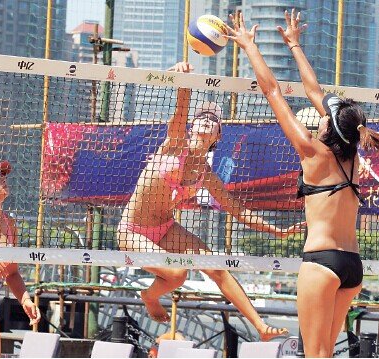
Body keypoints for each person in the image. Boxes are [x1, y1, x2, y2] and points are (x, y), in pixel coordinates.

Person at [225, 10, 379, 357]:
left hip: (322, 263)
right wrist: (295, 45)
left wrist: (249, 46)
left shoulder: (313, 152)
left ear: (328, 125)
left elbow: (272, 92)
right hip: (351, 266)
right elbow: (315, 92)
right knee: (324, 354)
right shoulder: (352, 155)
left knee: (315, 356)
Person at [118, 62, 305, 341]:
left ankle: (260, 327)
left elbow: (238, 211)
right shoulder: (175, 144)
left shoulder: (206, 174)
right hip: (131, 230)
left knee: (216, 267)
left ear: (217, 136)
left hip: (165, 228)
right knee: (177, 273)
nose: (207, 119)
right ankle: (149, 296)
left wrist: (276, 230)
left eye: (213, 120)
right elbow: (180, 114)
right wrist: (185, 82)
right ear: (193, 127)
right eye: (202, 117)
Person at [0, 161, 41, 357]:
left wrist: (25, 299)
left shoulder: (9, 224)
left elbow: (11, 273)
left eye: (4, 176)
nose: (3, 180)